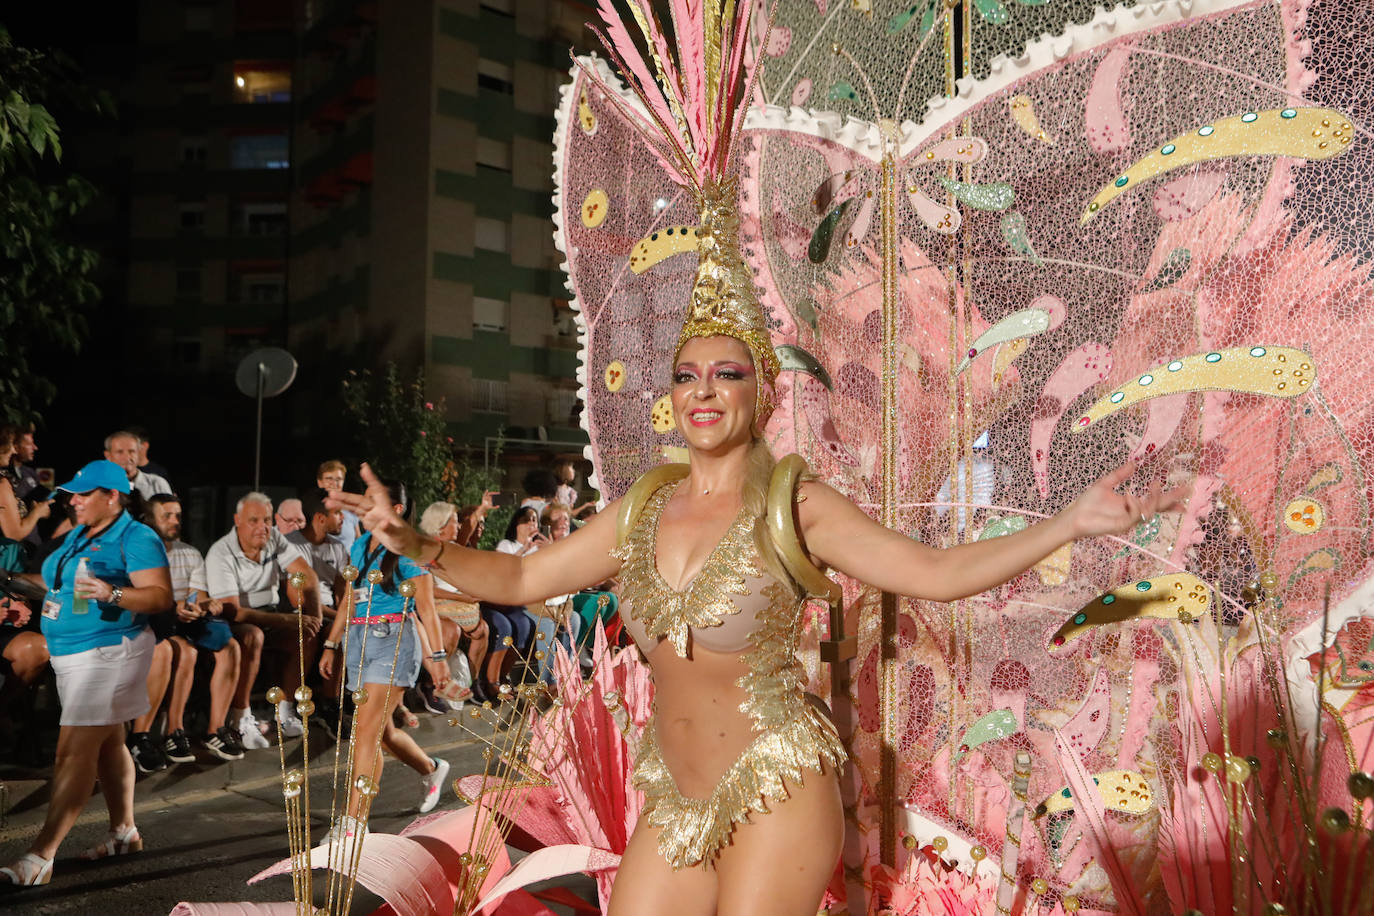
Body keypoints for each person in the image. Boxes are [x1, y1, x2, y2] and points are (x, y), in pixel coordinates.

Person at [330, 334, 1179, 910]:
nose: (703, 389)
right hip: (673, 792)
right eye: (687, 374)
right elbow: (520, 576)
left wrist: (1067, 523)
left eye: (727, 373)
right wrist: (416, 544)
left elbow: (938, 574)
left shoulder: (795, 504)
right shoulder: (639, 510)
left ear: (764, 393)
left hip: (776, 783)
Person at [0, 460, 173, 886]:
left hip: (109, 652)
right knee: (109, 741)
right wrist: (10, 591)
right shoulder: (79, 533)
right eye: (72, 494)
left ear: (112, 496)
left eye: (82, 494)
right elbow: (52, 582)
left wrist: (113, 592)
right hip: (73, 651)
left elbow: (160, 596)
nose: (72, 501)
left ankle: (41, 856)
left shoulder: (137, 536)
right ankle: (124, 832)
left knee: (72, 751)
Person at [318, 482, 452, 841]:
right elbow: (350, 596)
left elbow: (426, 607)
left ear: (395, 510)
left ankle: (352, 824)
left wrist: (437, 659)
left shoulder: (409, 550)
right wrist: (331, 642)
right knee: (382, 732)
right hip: (359, 642)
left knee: (364, 732)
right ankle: (431, 767)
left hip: (393, 642)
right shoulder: (361, 545)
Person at [204, 492, 320, 745]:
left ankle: (285, 711)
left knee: (308, 632)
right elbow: (233, 611)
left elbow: (307, 575)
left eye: (266, 520)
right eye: (253, 520)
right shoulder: (220, 553)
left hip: (270, 613)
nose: (262, 527)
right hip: (234, 619)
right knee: (252, 635)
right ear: (237, 520)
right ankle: (241, 718)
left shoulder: (274, 537)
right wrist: (290, 620)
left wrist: (315, 617)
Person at [144, 494, 245, 762]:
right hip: (154, 620)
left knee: (231, 646)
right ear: (149, 519)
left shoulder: (189, 553)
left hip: (184, 619)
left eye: (177, 515)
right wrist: (176, 605)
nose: (174, 521)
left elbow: (196, 594)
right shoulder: (141, 553)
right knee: (186, 651)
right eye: (167, 515)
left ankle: (216, 728)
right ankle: (173, 730)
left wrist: (204, 604)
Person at [418, 501, 489, 703]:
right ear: (440, 525)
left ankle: (472, 682)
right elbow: (427, 589)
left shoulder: (455, 549)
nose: (458, 527)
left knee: (482, 629)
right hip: (433, 607)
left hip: (458, 607)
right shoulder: (425, 550)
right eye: (455, 522)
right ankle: (431, 684)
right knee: (451, 631)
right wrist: (462, 598)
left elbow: (468, 530)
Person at [0, 428, 49, 572]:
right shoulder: (1, 483)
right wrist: (37, 513)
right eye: (10, 445)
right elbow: (13, 535)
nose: (14, 451)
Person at [104, 430, 172, 503]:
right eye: (120, 452)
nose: (127, 457)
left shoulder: (157, 483)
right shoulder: (99, 485)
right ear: (108, 455)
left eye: (131, 451)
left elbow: (170, 512)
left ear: (139, 453)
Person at [316, 461, 360, 552]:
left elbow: (358, 541)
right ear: (320, 483)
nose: (334, 483)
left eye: (338, 479)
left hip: (350, 564)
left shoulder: (351, 509)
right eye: (329, 479)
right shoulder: (312, 510)